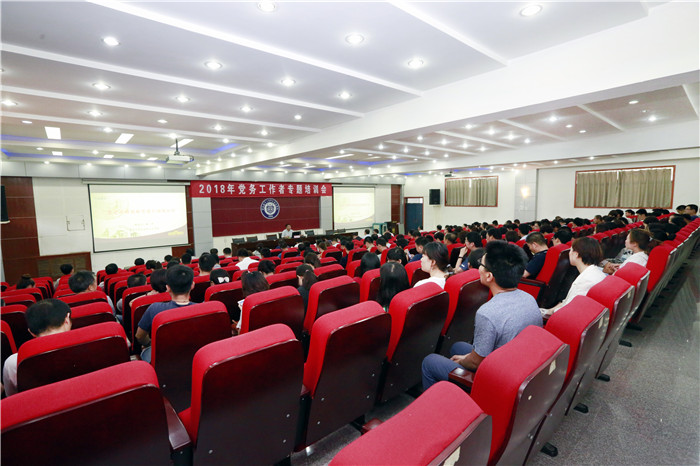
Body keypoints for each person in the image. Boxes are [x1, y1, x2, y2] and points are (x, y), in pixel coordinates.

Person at [421, 241, 542, 390]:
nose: (478, 268)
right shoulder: (529, 298)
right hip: (519, 367)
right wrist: (466, 358)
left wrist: (462, 362)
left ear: (489, 276)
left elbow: (475, 363)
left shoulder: (487, 313)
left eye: (481, 265)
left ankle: (446, 401)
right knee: (457, 347)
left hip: (499, 382)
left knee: (430, 361)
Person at [3, 299, 72, 396]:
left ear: (31, 332)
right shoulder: (86, 346)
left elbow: (13, 398)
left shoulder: (13, 363)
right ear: (67, 320)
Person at [136, 265, 195, 363]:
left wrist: (149, 343)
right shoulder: (204, 308)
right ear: (192, 285)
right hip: (194, 356)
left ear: (167, 288)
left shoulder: (154, 309)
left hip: (164, 361)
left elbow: (139, 336)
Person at [542, 237, 606, 316]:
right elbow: (567, 302)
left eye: (571, 250)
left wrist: (547, 313)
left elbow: (569, 309)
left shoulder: (586, 280)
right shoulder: (594, 272)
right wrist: (549, 311)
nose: (569, 253)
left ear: (576, 254)